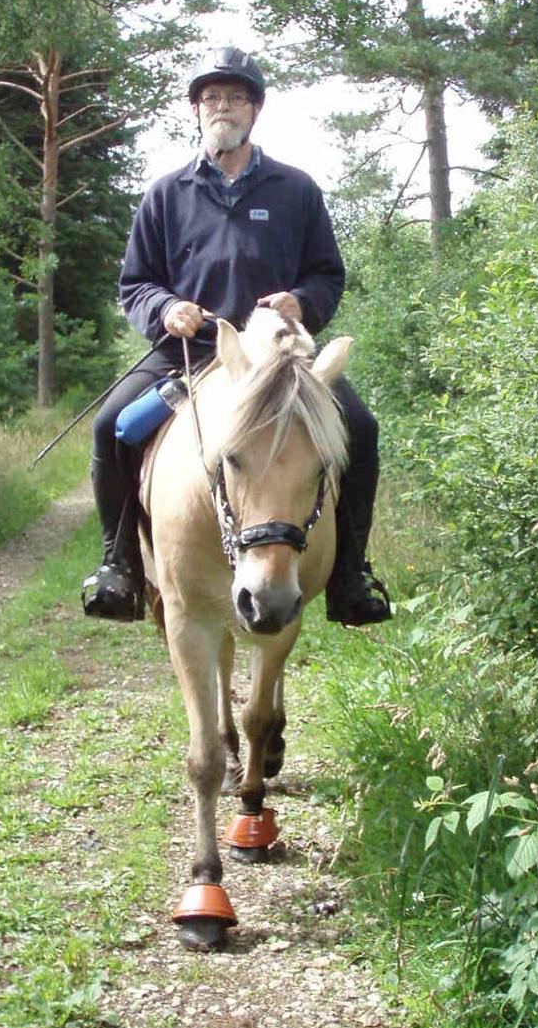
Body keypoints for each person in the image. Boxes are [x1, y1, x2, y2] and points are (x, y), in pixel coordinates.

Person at [81, 44, 392, 628]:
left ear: (256, 110)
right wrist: (167, 308)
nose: (222, 106)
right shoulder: (165, 193)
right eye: (211, 97)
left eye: (236, 97)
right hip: (189, 354)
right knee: (112, 426)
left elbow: (328, 274)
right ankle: (118, 565)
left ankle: (350, 575)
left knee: (362, 428)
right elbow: (136, 284)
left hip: (277, 360)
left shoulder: (296, 190)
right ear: (196, 110)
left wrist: (302, 302)